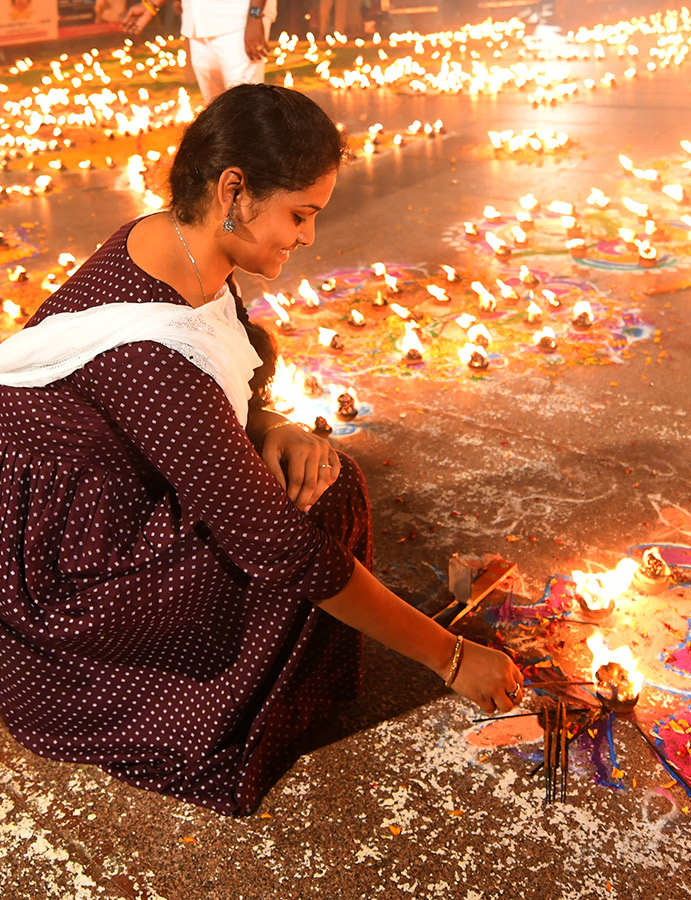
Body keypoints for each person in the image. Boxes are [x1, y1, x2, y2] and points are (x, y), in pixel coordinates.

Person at [0, 84, 522, 816]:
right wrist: (451, 656)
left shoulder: (172, 241)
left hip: (90, 499)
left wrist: (270, 422)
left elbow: (227, 365)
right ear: (234, 191)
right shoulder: (153, 355)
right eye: (300, 214)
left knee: (315, 471)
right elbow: (278, 547)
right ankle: (218, 703)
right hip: (71, 574)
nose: (308, 236)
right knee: (314, 517)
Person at [123, 0, 275, 102]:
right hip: (197, 23)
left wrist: (255, 16)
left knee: (245, 105)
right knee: (214, 108)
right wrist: (151, 4)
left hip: (238, 21)